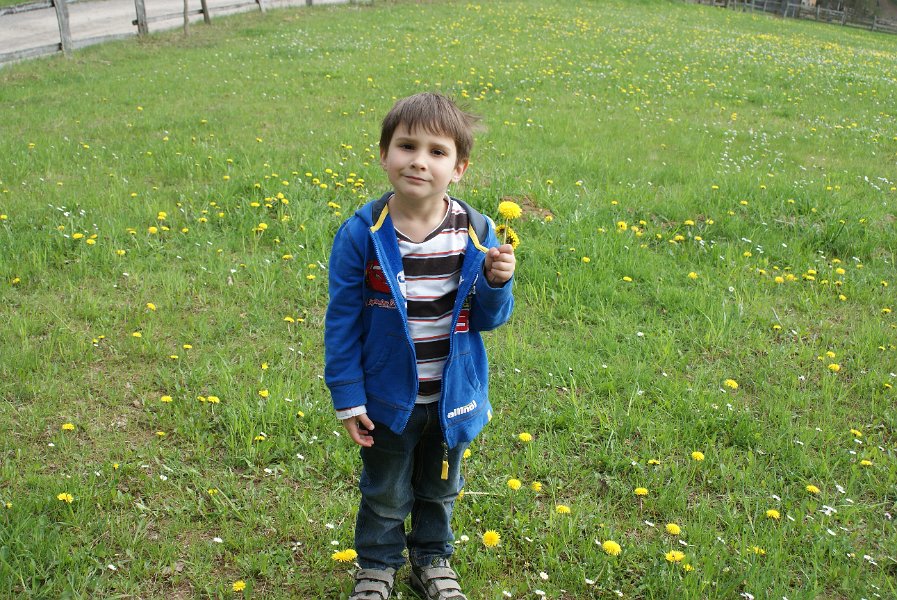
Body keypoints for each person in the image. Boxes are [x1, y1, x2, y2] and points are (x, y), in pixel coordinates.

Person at [325, 92, 516, 600]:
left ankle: (432, 561)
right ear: (383, 154)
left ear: (459, 168)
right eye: (407, 146)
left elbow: (487, 320)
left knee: (441, 487)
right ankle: (376, 567)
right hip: (388, 399)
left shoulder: (476, 232)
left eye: (437, 151)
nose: (419, 161)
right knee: (385, 491)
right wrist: (348, 395)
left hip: (452, 397)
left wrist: (497, 283)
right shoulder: (363, 234)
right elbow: (341, 321)